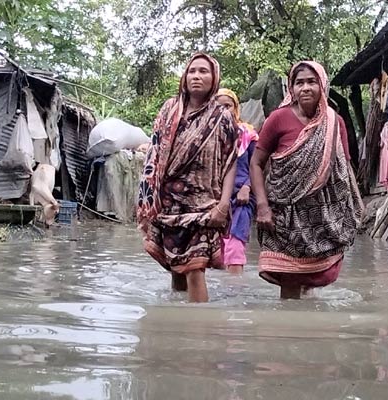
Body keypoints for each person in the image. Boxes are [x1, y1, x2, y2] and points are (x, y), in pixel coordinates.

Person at [249, 61, 363, 299]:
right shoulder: (278, 119)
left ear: (323, 85)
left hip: (321, 219)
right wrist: (262, 206)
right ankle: (289, 330)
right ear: (292, 88)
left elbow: (343, 170)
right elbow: (256, 163)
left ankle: (309, 331)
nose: (305, 88)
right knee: (289, 281)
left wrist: (349, 213)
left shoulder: (334, 123)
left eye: (312, 82)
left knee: (310, 282)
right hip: (284, 216)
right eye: (299, 83)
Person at [137, 53, 239, 303]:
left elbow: (230, 162)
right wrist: (148, 203)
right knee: (176, 268)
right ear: (185, 76)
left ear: (214, 77)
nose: (196, 76)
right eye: (192, 71)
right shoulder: (169, 110)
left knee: (195, 268)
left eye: (204, 71)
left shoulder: (222, 117)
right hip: (168, 204)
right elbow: (155, 152)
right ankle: (177, 328)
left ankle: (199, 332)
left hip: (204, 205)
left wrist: (224, 205)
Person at [215, 88, 259, 275]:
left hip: (242, 196)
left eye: (228, 106)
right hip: (215, 197)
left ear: (236, 108)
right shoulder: (208, 136)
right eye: (219, 107)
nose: (225, 111)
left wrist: (247, 187)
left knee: (235, 243)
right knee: (215, 247)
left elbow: (258, 165)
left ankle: (235, 292)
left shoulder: (248, 135)